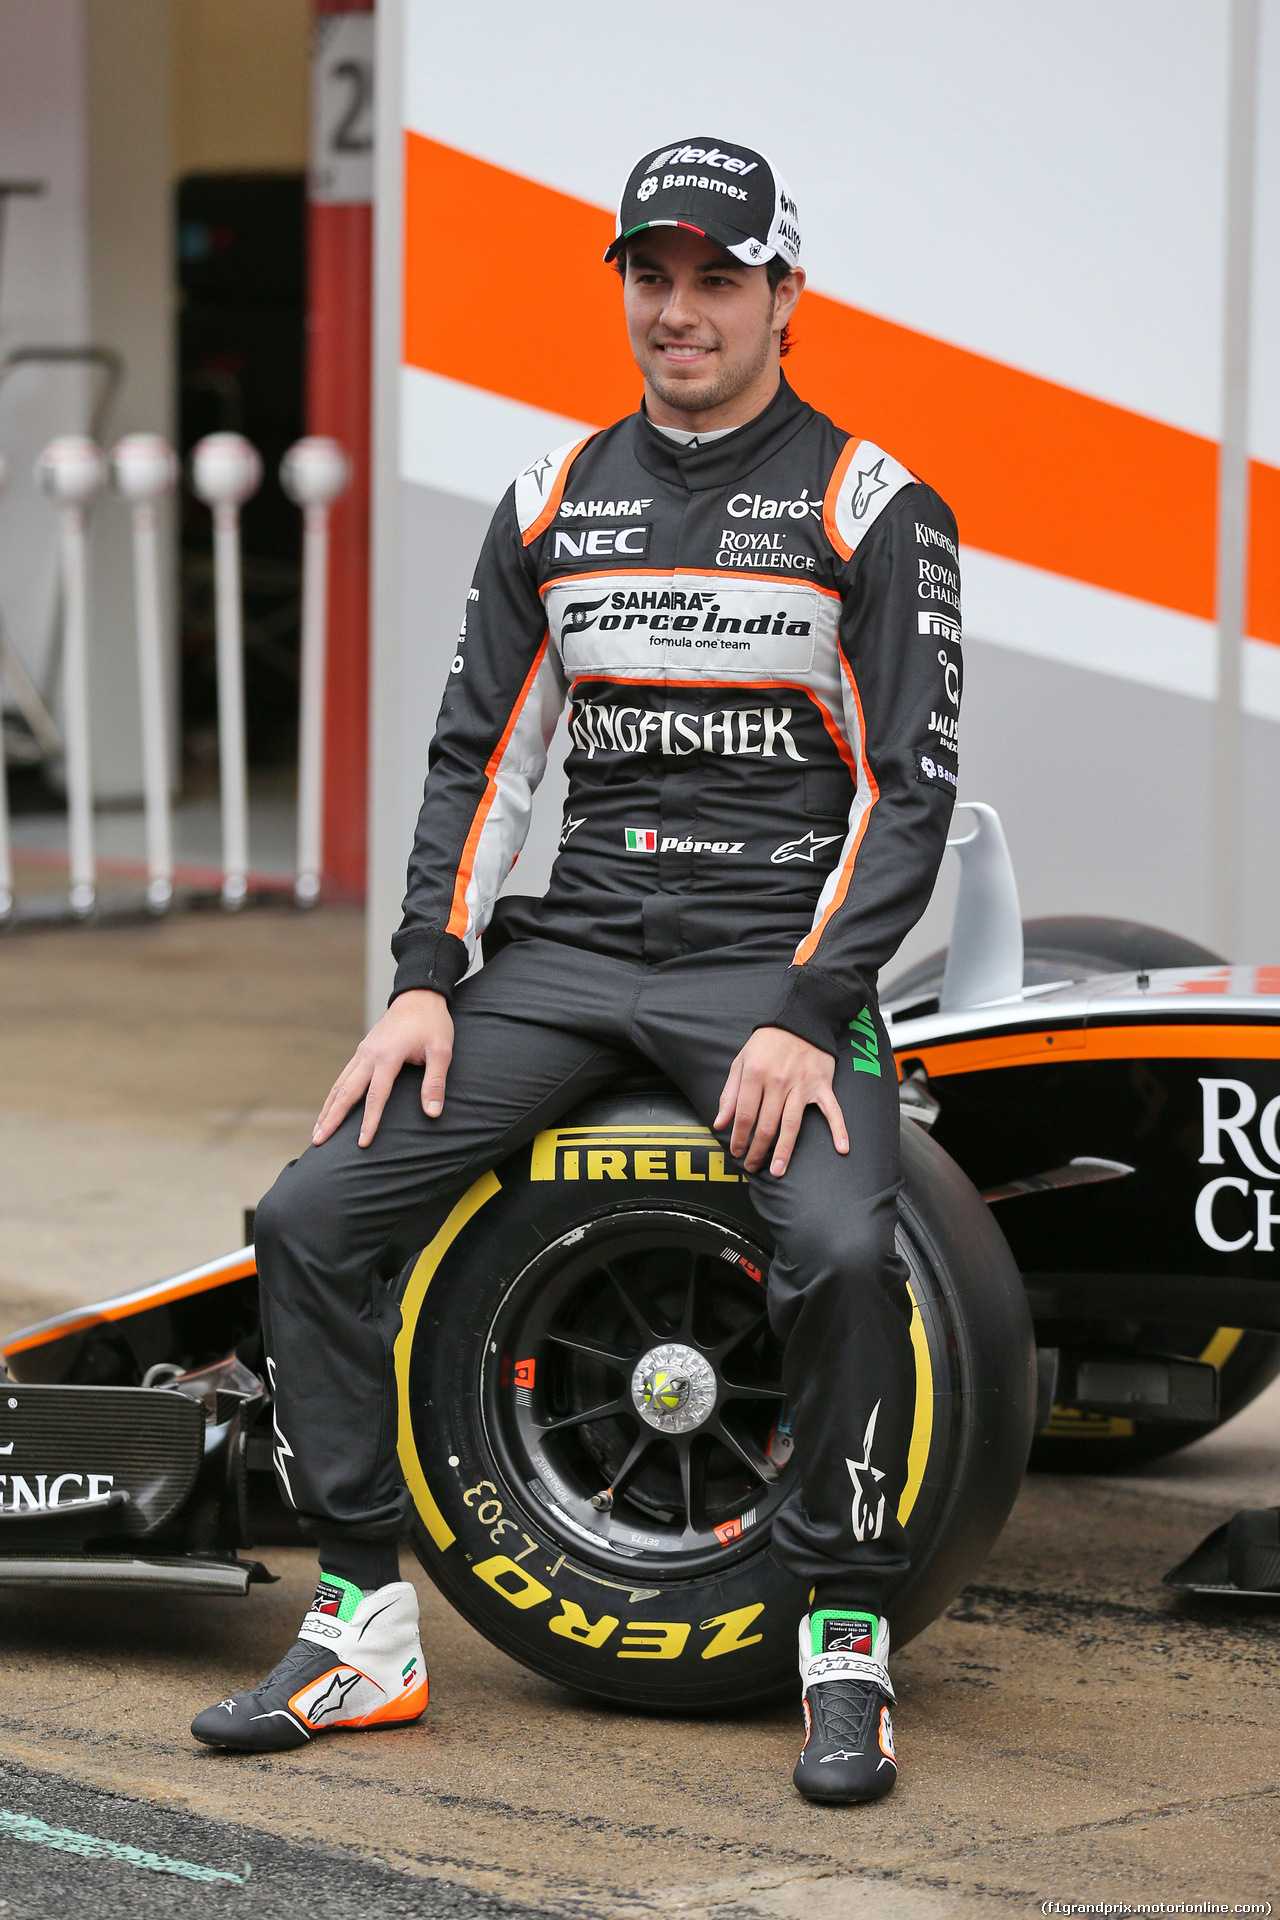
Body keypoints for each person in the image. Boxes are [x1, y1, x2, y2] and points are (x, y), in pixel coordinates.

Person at [191, 135, 962, 1806]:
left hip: (769, 957)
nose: (677, 311)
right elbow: (484, 762)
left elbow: (913, 795)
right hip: (571, 947)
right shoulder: (552, 499)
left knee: (838, 1253)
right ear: (623, 285)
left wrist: (806, 1010)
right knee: (310, 1218)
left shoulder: (874, 506)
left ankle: (843, 1640)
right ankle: (363, 1624)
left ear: (784, 297)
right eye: (650, 277)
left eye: (717, 279)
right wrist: (421, 977)